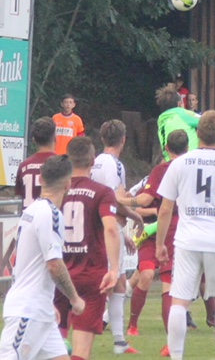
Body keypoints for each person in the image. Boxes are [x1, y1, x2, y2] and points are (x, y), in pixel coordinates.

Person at [156, 110, 215, 360]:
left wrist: (160, 244)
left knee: (179, 300)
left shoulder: (179, 163)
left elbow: (165, 208)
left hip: (187, 240)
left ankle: (176, 355)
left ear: (197, 133)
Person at [0, 153, 85, 360]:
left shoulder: (32, 210)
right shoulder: (50, 214)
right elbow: (54, 265)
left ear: (42, 179)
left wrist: (47, 303)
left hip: (41, 310)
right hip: (28, 310)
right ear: (68, 184)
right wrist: (74, 298)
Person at [55, 136, 121, 360]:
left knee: (54, 347)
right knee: (80, 351)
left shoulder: (56, 192)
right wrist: (114, 269)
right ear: (93, 161)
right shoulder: (102, 192)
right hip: (90, 275)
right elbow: (111, 228)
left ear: (68, 160)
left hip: (59, 273)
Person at [129, 129, 189, 341]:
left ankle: (211, 318)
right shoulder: (154, 178)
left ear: (166, 148)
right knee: (146, 276)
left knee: (178, 282)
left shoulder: (183, 172)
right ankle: (132, 324)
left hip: (171, 234)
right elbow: (140, 205)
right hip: (151, 236)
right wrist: (154, 211)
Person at [92, 119, 139, 355]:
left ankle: (117, 339)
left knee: (113, 279)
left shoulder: (95, 161)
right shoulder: (116, 165)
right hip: (109, 227)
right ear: (123, 139)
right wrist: (135, 215)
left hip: (96, 226)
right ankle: (116, 338)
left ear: (102, 139)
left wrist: (124, 234)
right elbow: (115, 201)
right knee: (115, 281)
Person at [16, 117, 58, 208]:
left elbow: (19, 195)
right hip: (51, 216)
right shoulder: (61, 165)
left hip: (27, 214)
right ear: (55, 138)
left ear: (34, 140)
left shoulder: (23, 166)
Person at [155, 85, 199, 156]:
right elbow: (212, 122)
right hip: (191, 158)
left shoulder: (161, 120)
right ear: (179, 104)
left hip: (170, 160)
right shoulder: (183, 113)